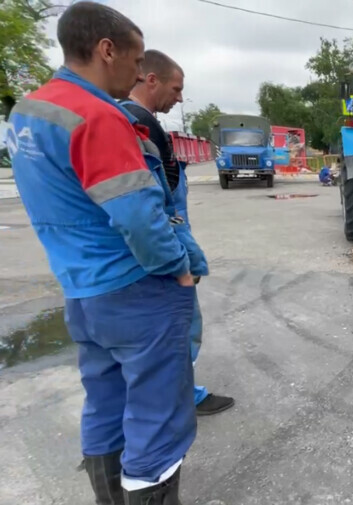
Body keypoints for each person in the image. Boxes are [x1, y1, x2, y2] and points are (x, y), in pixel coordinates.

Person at [8, 2, 204, 503]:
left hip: (82, 291)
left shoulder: (27, 113)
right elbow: (139, 215)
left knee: (105, 406)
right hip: (136, 289)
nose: (140, 73)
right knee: (158, 421)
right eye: (136, 61)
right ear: (106, 49)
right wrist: (178, 271)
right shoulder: (98, 115)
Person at [121, 49, 235, 417]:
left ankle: (174, 394)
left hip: (169, 243)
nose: (181, 98)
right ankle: (173, 402)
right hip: (163, 252)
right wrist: (178, 265)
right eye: (176, 88)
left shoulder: (144, 124)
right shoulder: (135, 125)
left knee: (173, 332)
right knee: (174, 330)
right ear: (150, 80)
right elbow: (144, 210)